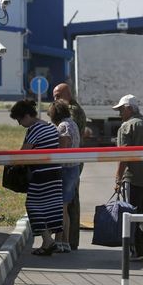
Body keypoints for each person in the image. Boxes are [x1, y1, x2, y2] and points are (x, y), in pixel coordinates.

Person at [10, 99, 63, 256]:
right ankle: (48, 240)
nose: (20, 124)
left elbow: (23, 153)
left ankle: (47, 241)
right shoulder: (50, 127)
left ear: (27, 116)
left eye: (20, 120)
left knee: (32, 205)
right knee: (50, 206)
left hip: (41, 174)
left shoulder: (34, 130)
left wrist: (12, 163)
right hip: (55, 173)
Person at [113, 94, 143, 262]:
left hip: (132, 179)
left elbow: (124, 156)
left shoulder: (126, 127)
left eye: (121, 110)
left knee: (131, 215)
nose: (120, 114)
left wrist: (118, 178)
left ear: (129, 109)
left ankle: (135, 250)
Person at [53, 83, 86, 250]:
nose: (56, 99)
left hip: (69, 162)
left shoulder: (70, 113)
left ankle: (68, 240)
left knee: (68, 203)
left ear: (67, 93)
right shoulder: (75, 109)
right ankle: (68, 240)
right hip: (75, 160)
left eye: (58, 95)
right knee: (69, 202)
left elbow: (64, 144)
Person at [48, 99, 81, 253]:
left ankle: (59, 241)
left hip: (65, 169)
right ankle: (65, 241)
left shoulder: (63, 126)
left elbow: (62, 148)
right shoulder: (73, 123)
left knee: (60, 207)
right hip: (74, 168)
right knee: (65, 207)